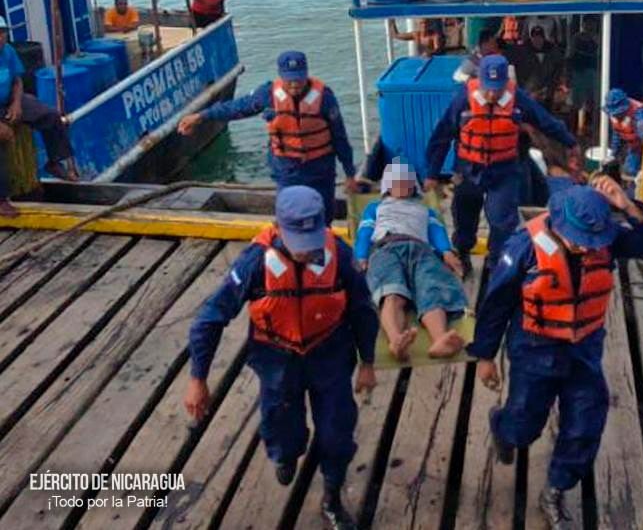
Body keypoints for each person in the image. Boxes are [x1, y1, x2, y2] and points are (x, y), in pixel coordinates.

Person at [469, 178, 643, 529]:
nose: (586, 249)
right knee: (523, 425)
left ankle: (555, 489)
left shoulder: (606, 243)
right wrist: (485, 356)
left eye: (592, 242)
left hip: (583, 350)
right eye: (580, 242)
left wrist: (627, 207)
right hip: (535, 350)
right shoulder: (524, 247)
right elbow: (496, 304)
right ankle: (503, 428)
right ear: (560, 225)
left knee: (585, 422)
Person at [185, 186, 377, 529]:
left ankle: (332, 497)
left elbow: (363, 310)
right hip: (276, 360)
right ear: (278, 228)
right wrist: (198, 379)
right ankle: (286, 454)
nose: (306, 252)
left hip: (329, 356)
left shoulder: (342, 257)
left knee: (337, 433)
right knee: (281, 430)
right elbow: (210, 318)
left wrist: (368, 362)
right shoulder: (255, 263)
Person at [425, 54, 579, 275]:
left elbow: (545, 121)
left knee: (502, 219)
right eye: (488, 88)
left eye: (497, 89)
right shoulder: (463, 99)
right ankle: (463, 252)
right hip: (469, 169)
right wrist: (432, 172)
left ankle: (496, 263)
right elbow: (441, 135)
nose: (491, 94)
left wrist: (570, 142)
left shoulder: (518, 99)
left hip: (504, 169)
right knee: (464, 212)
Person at [177, 51, 358, 223]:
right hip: (287, 167)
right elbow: (237, 108)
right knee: (289, 213)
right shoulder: (268, 95)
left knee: (323, 213)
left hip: (320, 167)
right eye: (289, 80)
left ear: (306, 74)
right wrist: (201, 116)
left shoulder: (324, 98)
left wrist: (350, 174)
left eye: (299, 79)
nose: (294, 85)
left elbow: (339, 137)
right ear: (281, 76)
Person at [354, 159, 467, 361]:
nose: (401, 186)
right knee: (391, 292)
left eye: (405, 182)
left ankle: (440, 339)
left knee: (431, 288)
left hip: (421, 249)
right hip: (386, 247)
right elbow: (364, 233)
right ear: (387, 186)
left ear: (413, 185)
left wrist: (447, 252)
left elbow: (437, 232)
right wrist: (361, 256)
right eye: (396, 182)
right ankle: (396, 340)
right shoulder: (375, 207)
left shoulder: (425, 210)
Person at [0, 16, 78, 216]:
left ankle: (54, 161)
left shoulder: (7, 51)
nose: (1, 37)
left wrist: (17, 103)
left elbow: (17, 80)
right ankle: (1, 200)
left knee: (50, 116)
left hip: (9, 98)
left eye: (3, 32)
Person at [602, 88, 643, 177]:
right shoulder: (615, 116)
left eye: (617, 113)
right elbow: (617, 133)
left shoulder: (641, 117)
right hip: (636, 146)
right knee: (630, 171)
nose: (614, 115)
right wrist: (614, 154)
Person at [510, 22, 563, 108]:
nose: (537, 40)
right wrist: (526, 91)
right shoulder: (523, 52)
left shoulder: (552, 52)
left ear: (543, 38)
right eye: (534, 37)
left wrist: (552, 87)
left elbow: (558, 69)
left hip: (547, 94)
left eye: (539, 37)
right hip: (529, 93)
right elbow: (517, 71)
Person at [566, 16, 600, 135]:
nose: (590, 26)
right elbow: (569, 56)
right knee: (575, 103)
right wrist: (568, 75)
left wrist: (595, 41)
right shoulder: (576, 38)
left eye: (592, 24)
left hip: (593, 73)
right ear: (584, 24)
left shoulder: (599, 38)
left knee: (593, 102)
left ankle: (590, 129)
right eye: (588, 23)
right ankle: (572, 130)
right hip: (578, 73)